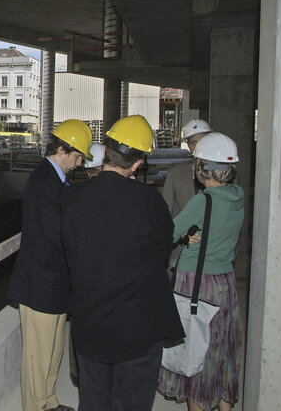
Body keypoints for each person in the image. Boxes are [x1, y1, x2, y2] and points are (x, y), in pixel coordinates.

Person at [61, 115, 184, 411]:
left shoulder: (73, 197)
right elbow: (162, 251)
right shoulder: (149, 202)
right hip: (137, 328)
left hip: (90, 326)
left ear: (107, 151)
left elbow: (70, 250)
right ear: (138, 163)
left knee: (93, 401)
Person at [7, 118, 93, 411]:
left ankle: (49, 400)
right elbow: (55, 234)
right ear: (61, 150)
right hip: (41, 282)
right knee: (37, 355)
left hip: (53, 281)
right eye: (77, 156)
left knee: (53, 348)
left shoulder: (54, 179)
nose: (79, 163)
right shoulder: (46, 182)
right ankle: (35, 405)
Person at [158, 132, 244, 411]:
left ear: (201, 169)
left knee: (197, 350)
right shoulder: (237, 198)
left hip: (195, 283)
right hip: (225, 283)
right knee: (222, 349)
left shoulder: (202, 201)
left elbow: (166, 234)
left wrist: (183, 238)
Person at [68, 141, 105, 388]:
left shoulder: (76, 196)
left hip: (84, 279)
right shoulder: (123, 196)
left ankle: (80, 374)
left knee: (82, 329)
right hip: (103, 278)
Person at [162, 119, 213, 217]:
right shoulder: (175, 174)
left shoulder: (223, 174)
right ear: (188, 146)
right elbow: (166, 211)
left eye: (202, 141)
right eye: (194, 143)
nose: (199, 147)